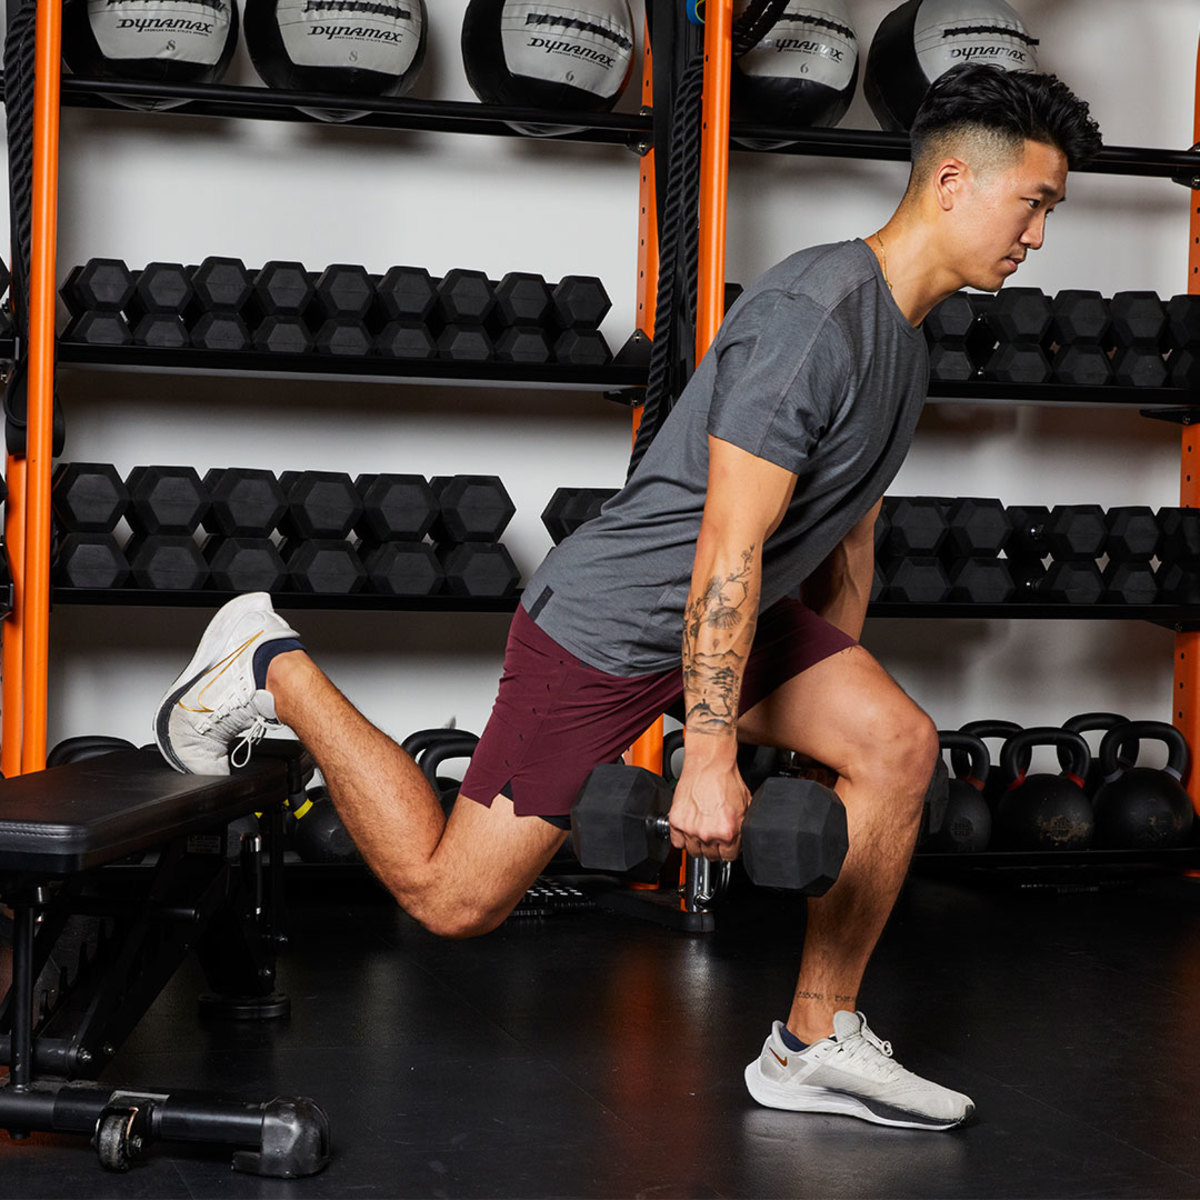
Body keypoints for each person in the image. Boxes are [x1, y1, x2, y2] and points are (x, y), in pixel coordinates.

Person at [155, 63, 1101, 1131]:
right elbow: (724, 551)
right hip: (615, 622)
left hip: (725, 618)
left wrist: (810, 718)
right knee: (451, 898)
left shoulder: (904, 340)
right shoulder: (813, 322)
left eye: (1050, 211)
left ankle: (812, 1041)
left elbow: (847, 535)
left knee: (894, 745)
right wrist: (705, 758)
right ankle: (268, 662)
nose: (1038, 234)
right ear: (950, 185)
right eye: (1034, 202)